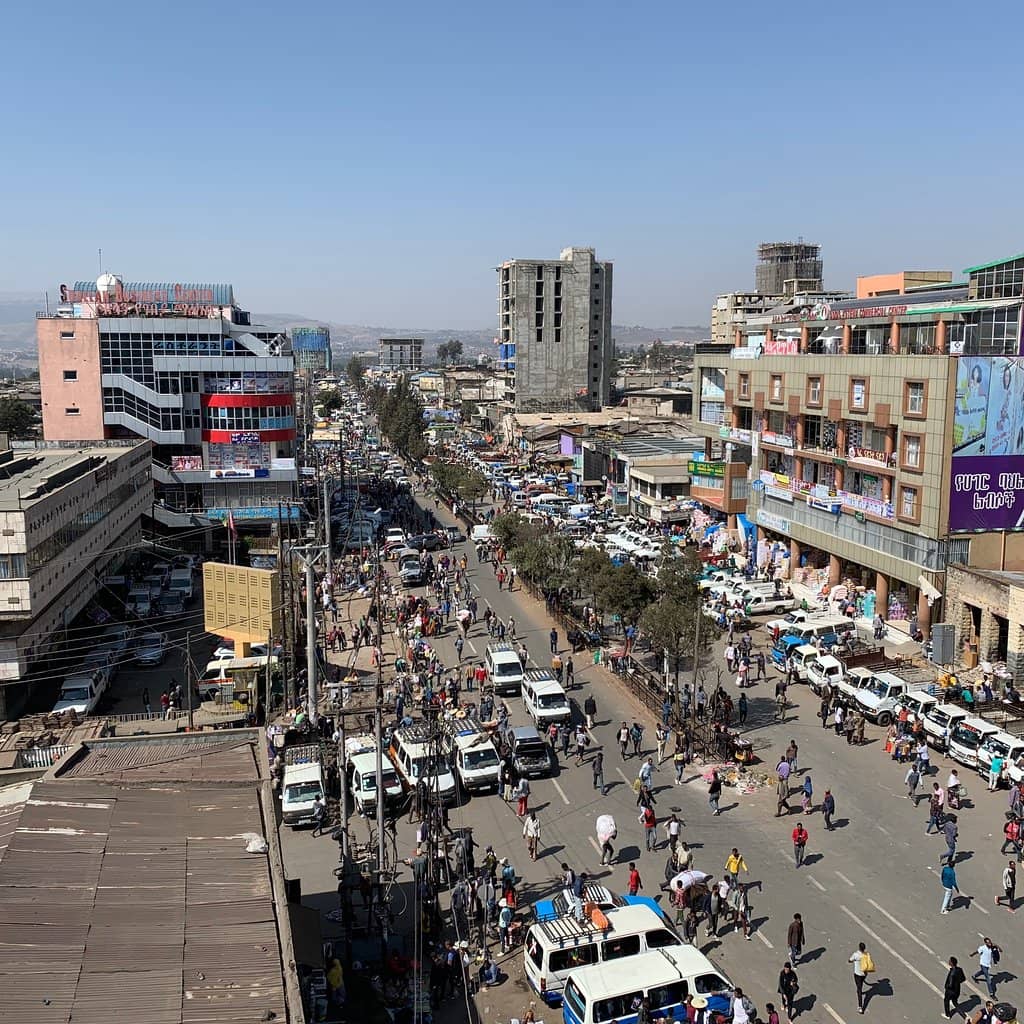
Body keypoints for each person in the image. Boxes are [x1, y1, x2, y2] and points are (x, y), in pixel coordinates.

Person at [849, 941, 872, 1013]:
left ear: (859, 947)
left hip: (857, 974)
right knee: (860, 985)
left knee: (859, 989)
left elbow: (850, 960)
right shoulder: (866, 955)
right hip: (864, 974)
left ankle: (860, 1007)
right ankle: (860, 991)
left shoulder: (856, 955)